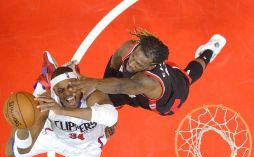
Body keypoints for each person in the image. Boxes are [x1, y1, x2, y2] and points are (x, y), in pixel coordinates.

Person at [69, 29, 226, 116]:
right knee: (103, 95)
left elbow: (120, 86)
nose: (131, 63)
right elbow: (116, 59)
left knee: (189, 77)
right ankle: (207, 52)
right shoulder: (131, 46)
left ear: (151, 66)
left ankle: (208, 54)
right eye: (134, 57)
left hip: (172, 97)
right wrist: (104, 84)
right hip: (130, 86)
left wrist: (94, 83)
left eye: (138, 63)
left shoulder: (148, 82)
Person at [5, 52, 118, 157]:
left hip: (86, 145)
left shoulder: (92, 94)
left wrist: (61, 111)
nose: (68, 93)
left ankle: (53, 77)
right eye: (61, 90)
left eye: (71, 86)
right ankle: (43, 87)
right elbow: (24, 149)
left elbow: (112, 117)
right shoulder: (47, 102)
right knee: (12, 152)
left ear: (79, 84)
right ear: (55, 92)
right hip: (56, 137)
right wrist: (22, 125)